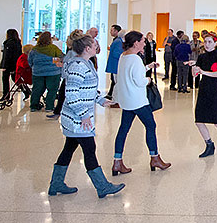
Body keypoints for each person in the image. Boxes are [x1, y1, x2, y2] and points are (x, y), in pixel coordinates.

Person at [48, 34, 125, 199]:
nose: (97, 46)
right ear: (87, 48)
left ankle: (56, 183)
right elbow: (71, 93)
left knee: (68, 149)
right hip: (77, 119)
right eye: (94, 44)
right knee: (90, 150)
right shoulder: (77, 66)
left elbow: (87, 90)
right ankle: (102, 186)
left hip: (78, 117)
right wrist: (84, 115)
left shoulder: (86, 63)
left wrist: (101, 100)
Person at [111, 31, 171, 176]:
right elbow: (139, 81)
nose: (144, 43)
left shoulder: (124, 56)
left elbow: (130, 74)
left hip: (126, 100)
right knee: (151, 126)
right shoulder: (136, 59)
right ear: (136, 42)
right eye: (143, 41)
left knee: (123, 129)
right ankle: (155, 157)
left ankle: (117, 161)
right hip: (138, 101)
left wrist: (148, 66)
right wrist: (148, 80)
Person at [48, 29, 87, 120]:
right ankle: (58, 112)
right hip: (69, 77)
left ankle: (59, 112)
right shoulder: (76, 52)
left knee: (65, 94)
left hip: (70, 78)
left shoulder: (74, 53)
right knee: (62, 94)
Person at [28, 31, 64, 112]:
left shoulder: (34, 50)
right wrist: (54, 62)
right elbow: (61, 58)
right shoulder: (54, 48)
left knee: (37, 89)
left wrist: (35, 67)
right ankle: (49, 107)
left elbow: (30, 61)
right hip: (53, 73)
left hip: (37, 73)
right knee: (52, 90)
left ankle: (34, 106)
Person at [0, 29, 23, 101]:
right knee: (15, 79)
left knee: (5, 80)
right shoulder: (18, 43)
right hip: (16, 64)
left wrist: (4, 66)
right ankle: (26, 91)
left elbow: (6, 56)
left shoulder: (8, 43)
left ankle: (5, 95)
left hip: (9, 65)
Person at [105, 25, 124, 98]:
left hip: (115, 64)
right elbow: (117, 53)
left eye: (112, 30)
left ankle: (111, 95)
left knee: (114, 80)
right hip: (115, 64)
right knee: (115, 80)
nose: (110, 32)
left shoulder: (117, 41)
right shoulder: (118, 41)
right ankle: (113, 96)